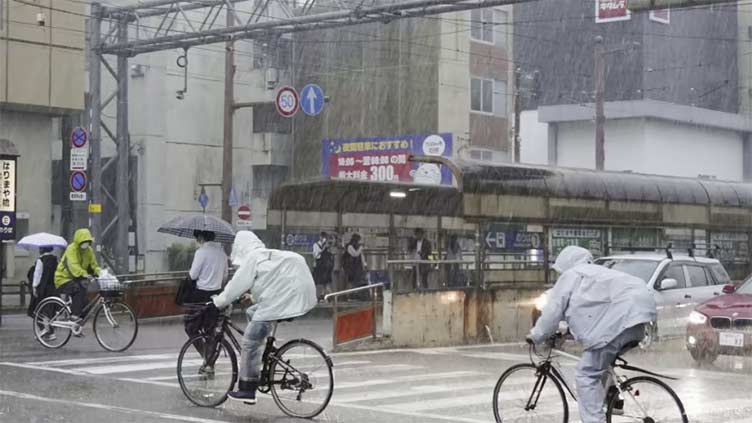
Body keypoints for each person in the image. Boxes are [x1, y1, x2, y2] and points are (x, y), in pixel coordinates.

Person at [527, 246, 657, 423]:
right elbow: (590, 311)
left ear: (566, 264)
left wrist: (536, 335)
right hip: (638, 319)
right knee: (600, 362)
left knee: (585, 375)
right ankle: (612, 397)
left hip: (620, 321)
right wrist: (566, 332)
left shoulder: (572, 275)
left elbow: (553, 311)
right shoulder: (598, 274)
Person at [209, 230, 316, 404]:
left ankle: (247, 390)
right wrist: (251, 298)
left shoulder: (253, 258)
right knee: (252, 312)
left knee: (250, 342)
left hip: (284, 299)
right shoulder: (267, 256)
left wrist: (218, 302)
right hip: (297, 294)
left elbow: (235, 285)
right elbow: (273, 284)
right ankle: (265, 351)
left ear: (240, 248)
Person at [185, 230, 228, 347]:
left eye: (197, 238)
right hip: (217, 295)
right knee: (210, 328)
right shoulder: (222, 253)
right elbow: (225, 276)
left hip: (201, 295)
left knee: (191, 327)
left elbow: (193, 275)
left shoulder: (201, 252)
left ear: (201, 237)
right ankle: (210, 356)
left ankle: (205, 353)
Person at [54, 228, 101, 325]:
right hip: (63, 278)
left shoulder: (89, 251)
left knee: (87, 304)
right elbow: (73, 266)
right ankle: (74, 316)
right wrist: (85, 274)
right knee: (78, 289)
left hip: (76, 278)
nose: (85, 244)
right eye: (83, 241)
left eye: (87, 241)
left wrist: (101, 273)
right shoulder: (71, 249)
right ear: (78, 241)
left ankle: (77, 326)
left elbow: (94, 265)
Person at [28, 247, 59, 341]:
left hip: (43, 289)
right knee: (51, 310)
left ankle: (44, 329)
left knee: (39, 310)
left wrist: (34, 287)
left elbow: (37, 275)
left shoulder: (40, 260)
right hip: (53, 289)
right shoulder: (55, 260)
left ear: (41, 250)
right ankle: (51, 332)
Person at [312, 232, 334, 302]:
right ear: (320, 237)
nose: (324, 239)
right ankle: (321, 296)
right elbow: (316, 255)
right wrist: (323, 248)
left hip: (326, 267)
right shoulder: (316, 245)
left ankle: (326, 296)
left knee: (326, 282)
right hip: (319, 266)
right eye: (323, 237)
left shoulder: (328, 246)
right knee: (320, 282)